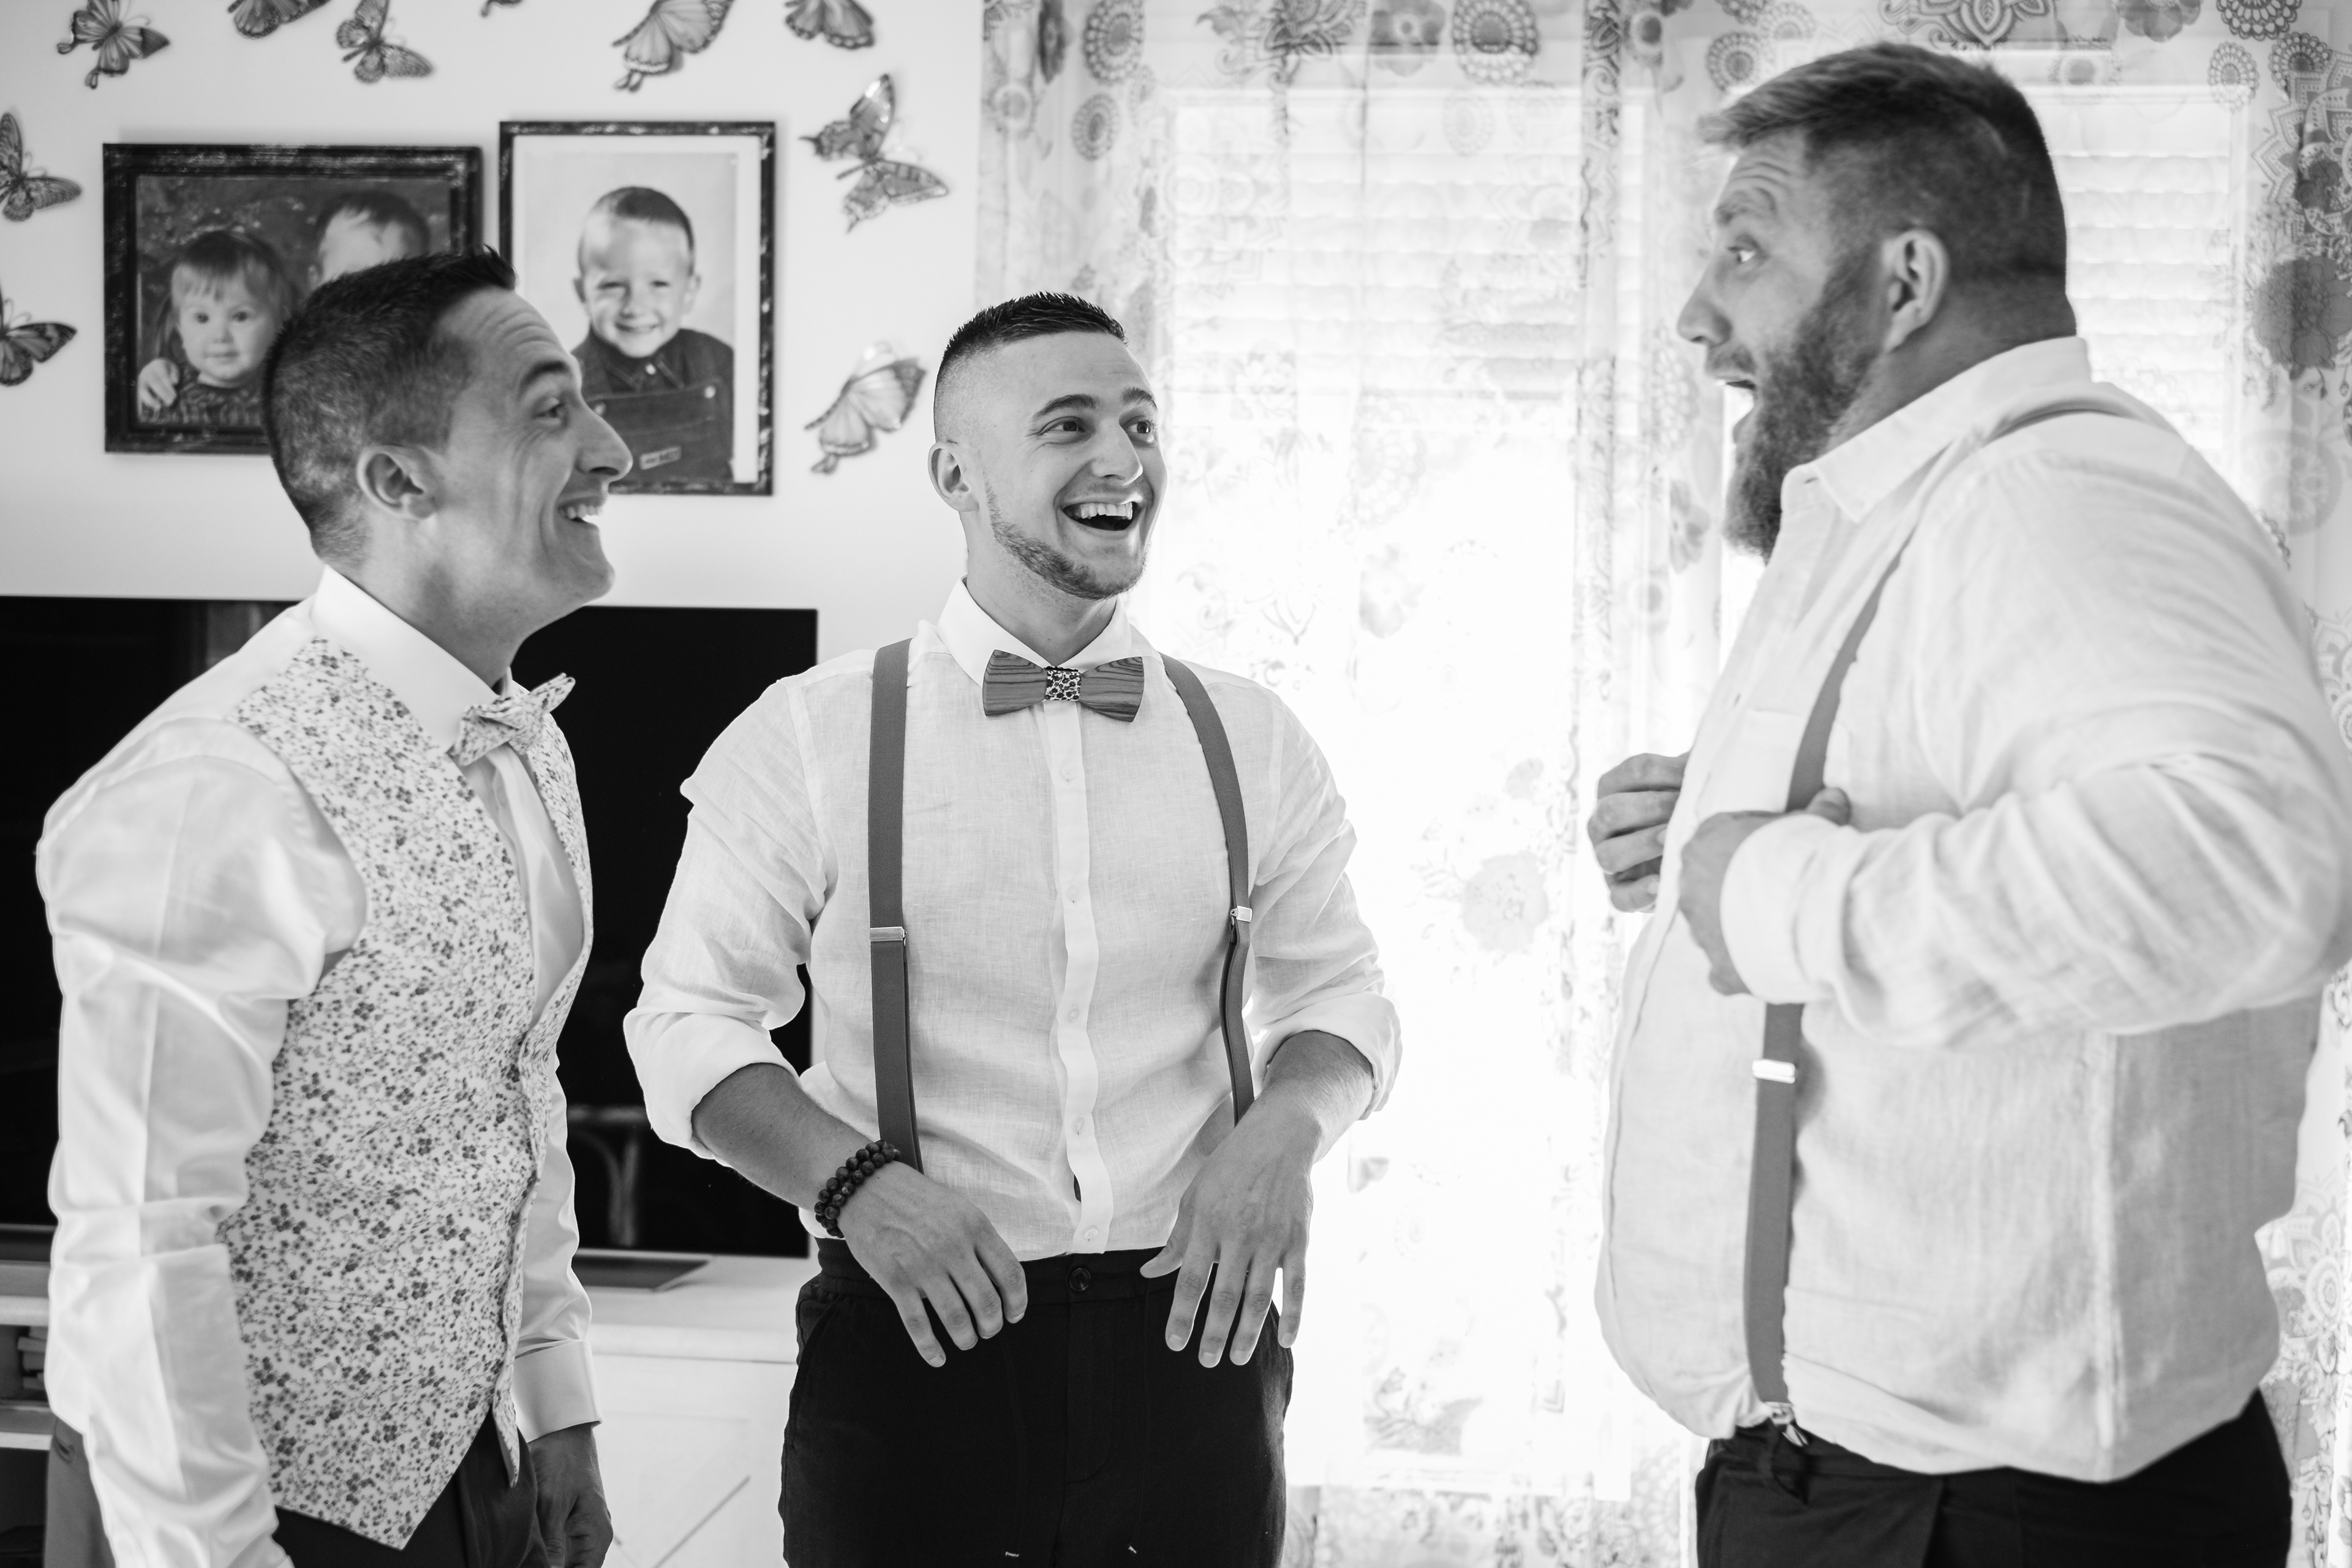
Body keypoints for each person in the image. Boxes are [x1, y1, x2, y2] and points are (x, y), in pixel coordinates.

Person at [1585, 42, 2352, 1565]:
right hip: (1880, 1493)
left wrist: (1770, 893)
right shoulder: (1928, 505)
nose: (1697, 315)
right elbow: (1956, 806)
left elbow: (2256, 862)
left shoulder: (2048, 497)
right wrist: (1709, 831)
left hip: (1982, 1521)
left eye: (1746, 249)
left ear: (1903, 280)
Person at [624, 291, 1400, 1566]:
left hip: (1196, 1348)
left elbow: (1343, 998)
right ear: (955, 476)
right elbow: (686, 1027)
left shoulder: (1253, 736)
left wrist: (1289, 1129)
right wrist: (857, 1187)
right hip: (915, 1339)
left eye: (1140, 423)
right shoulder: (807, 734)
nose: (1122, 459)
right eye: (1069, 425)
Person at [41, 250, 632, 1568]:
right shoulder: (219, 782)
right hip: (236, 1504)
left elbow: (517, 1095)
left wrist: (557, 1402)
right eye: (551, 408)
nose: (612, 448)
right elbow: (141, 1235)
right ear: (398, 481)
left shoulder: (527, 740)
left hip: (476, 1468)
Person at [139, 190, 431, 418]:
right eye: (352, 279)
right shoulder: (295, 353)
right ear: (318, 284)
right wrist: (159, 373)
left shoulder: (426, 361)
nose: (373, 297)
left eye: (395, 281)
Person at [570, 186, 734, 484]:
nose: (635, 307)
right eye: (612, 285)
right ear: (583, 293)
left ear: (689, 291)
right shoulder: (567, 386)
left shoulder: (719, 362)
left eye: (658, 284)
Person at [140, 228, 295, 429]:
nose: (220, 336)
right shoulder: (164, 394)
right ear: (181, 330)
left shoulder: (290, 397)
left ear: (279, 325)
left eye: (240, 317)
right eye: (202, 318)